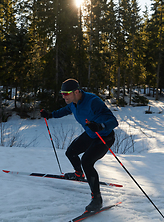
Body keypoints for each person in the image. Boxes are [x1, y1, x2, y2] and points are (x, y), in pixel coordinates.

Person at [40, 78, 119, 212]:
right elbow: (65, 110)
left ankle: (97, 199)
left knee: (87, 162)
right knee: (70, 152)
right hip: (90, 134)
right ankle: (79, 174)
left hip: (104, 136)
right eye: (62, 93)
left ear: (76, 92)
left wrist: (101, 126)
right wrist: (51, 115)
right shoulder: (72, 103)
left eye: (66, 93)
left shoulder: (93, 101)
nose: (63, 96)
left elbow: (113, 121)